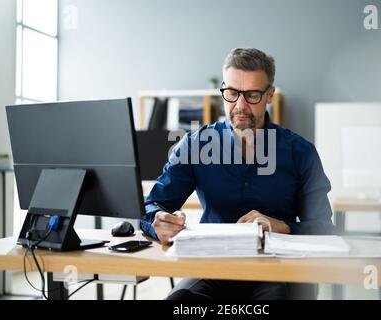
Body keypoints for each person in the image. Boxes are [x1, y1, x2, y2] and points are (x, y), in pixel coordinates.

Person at [140, 48, 334, 300]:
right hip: (213, 267)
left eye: (252, 95)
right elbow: (151, 207)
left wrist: (283, 227)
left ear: (270, 95)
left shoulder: (301, 152)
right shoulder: (195, 145)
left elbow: (323, 228)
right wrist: (159, 222)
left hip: (279, 269)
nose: (240, 106)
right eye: (232, 93)